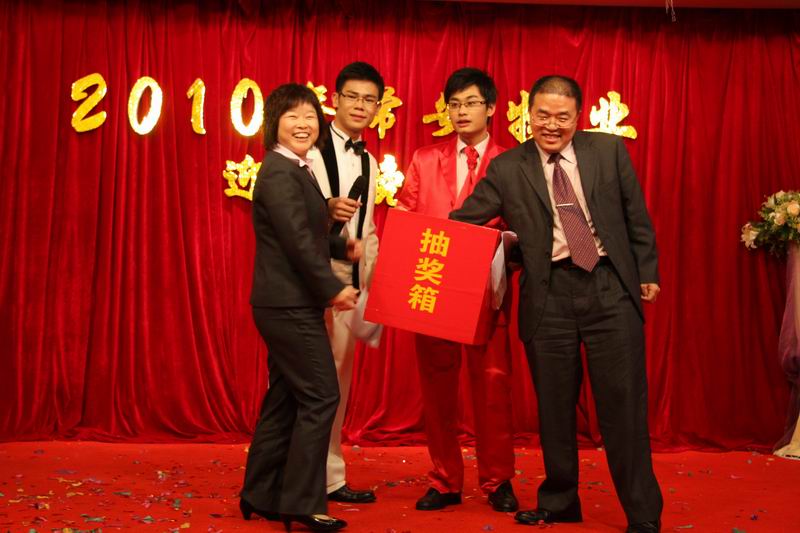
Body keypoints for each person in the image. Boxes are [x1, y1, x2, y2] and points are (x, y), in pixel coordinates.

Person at [450, 75, 663, 532]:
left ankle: (643, 513)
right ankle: (560, 500)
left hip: (608, 286)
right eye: (543, 115)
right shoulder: (508, 167)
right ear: (528, 115)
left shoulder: (608, 151)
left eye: (562, 117)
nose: (551, 125)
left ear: (578, 117)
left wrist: (646, 272)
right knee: (554, 406)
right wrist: (415, 242)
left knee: (624, 406)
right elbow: (464, 219)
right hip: (548, 295)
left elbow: (636, 216)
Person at [395, 67, 518, 513]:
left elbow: (523, 227)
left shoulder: (511, 162)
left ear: (491, 108)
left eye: (471, 103)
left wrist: (501, 247)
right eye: (454, 104)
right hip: (432, 287)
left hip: (486, 291)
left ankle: (498, 479)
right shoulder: (425, 159)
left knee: (493, 388)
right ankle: (445, 479)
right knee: (437, 388)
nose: (461, 111)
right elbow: (405, 216)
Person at [240, 83, 360, 532]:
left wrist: (341, 246)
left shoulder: (297, 168)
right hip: (288, 304)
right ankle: (302, 502)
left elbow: (301, 231)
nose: (304, 124)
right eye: (292, 116)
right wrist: (332, 288)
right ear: (274, 123)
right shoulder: (279, 171)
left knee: (286, 396)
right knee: (321, 394)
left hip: (284, 302)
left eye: (310, 116)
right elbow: (295, 243)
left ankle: (260, 492)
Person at [309, 61, 383, 505]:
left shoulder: (370, 160)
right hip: (309, 282)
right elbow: (289, 215)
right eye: (352, 96)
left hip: (350, 289)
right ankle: (295, 477)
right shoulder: (309, 147)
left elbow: (367, 229)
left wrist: (374, 285)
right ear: (334, 99)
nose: (360, 105)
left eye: (369, 99)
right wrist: (324, 210)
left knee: (337, 383)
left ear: (378, 107)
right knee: (308, 385)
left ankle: (330, 477)